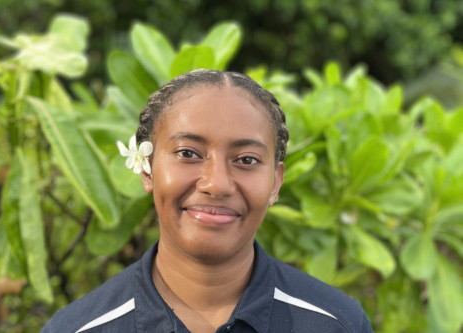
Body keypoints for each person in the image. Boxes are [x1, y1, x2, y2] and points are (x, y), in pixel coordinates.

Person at [42, 69, 374, 333]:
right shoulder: (78, 328)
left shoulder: (335, 324)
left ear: (276, 182)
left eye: (246, 160)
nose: (216, 184)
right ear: (146, 169)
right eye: (188, 153)